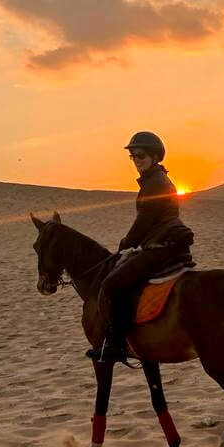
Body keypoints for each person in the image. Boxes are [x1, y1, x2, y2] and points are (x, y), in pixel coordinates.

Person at [87, 131, 195, 364]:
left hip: (161, 247)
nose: (137, 161)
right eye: (133, 157)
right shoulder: (155, 180)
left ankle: (115, 344)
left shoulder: (155, 183)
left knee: (111, 284)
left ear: (155, 156)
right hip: (163, 243)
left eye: (141, 156)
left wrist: (126, 244)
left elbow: (144, 220)